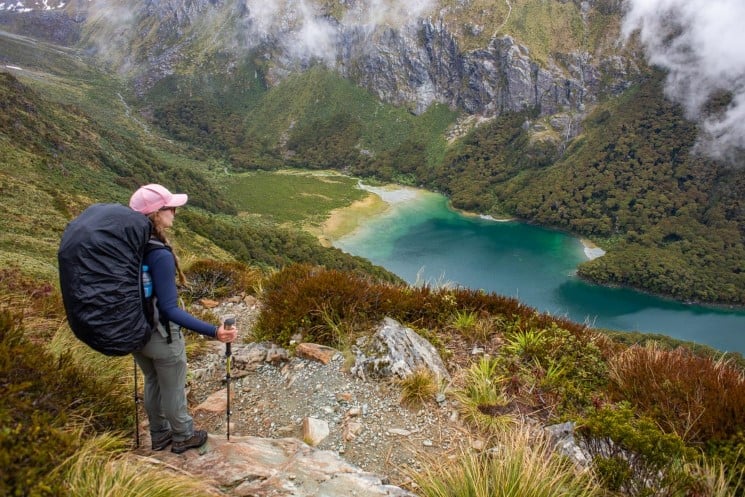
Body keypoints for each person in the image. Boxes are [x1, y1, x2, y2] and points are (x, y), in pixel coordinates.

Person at [129, 183, 238, 454]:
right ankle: (182, 435)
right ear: (156, 213)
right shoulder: (159, 254)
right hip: (162, 334)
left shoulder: (130, 246)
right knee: (173, 385)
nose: (175, 212)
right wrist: (214, 331)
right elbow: (169, 309)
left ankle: (159, 434)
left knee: (153, 381)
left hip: (134, 331)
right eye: (170, 207)